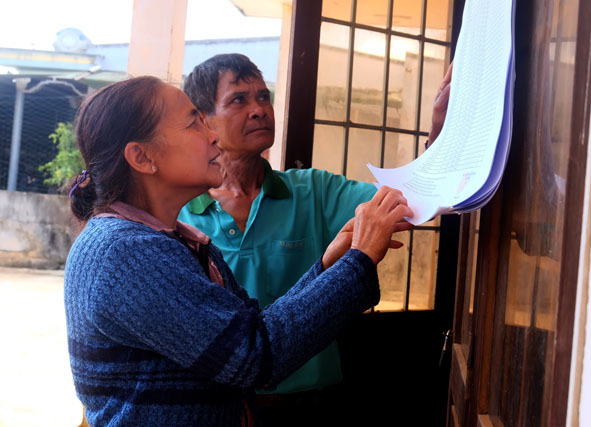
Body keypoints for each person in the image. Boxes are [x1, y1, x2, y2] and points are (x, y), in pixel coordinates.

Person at [64, 75, 413, 426]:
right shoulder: (126, 252)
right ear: (142, 157)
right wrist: (358, 261)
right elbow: (254, 356)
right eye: (193, 123)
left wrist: (327, 267)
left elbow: (249, 330)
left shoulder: (175, 240)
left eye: (263, 98)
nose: (213, 134)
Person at [179, 53, 451, 424]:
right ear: (204, 119)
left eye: (264, 96)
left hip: (311, 405)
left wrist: (439, 128)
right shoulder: (179, 215)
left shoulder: (313, 190)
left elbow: (413, 202)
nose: (259, 110)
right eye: (239, 100)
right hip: (220, 411)